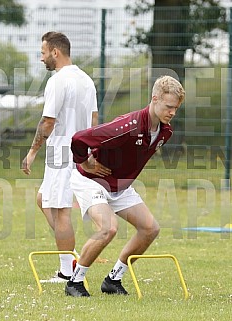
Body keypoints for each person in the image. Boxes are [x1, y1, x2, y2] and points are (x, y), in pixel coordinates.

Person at [65, 75, 185, 297]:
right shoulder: (126, 125)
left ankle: (113, 279)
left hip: (119, 186)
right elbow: (79, 138)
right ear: (154, 98)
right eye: (169, 107)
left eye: (176, 108)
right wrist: (85, 161)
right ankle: (75, 282)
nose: (172, 112)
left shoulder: (165, 132)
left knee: (150, 229)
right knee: (108, 228)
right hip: (91, 181)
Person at [22, 31, 98, 282]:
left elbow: (48, 122)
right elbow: (95, 121)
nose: (41, 58)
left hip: (61, 152)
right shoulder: (87, 80)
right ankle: (70, 251)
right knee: (43, 199)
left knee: (60, 210)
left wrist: (32, 152)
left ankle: (67, 272)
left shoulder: (57, 81)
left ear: (55, 52)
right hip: (80, 151)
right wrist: (90, 152)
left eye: (43, 53)